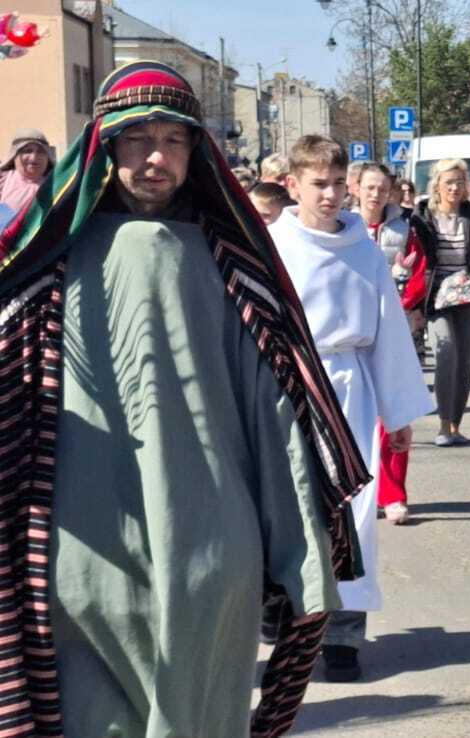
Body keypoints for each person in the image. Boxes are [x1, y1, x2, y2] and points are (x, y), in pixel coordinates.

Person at [0, 60, 367, 737]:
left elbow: (277, 415)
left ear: (196, 151)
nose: (156, 157)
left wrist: (299, 547)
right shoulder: (42, 267)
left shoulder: (237, 267)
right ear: (106, 145)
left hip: (210, 557)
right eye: (138, 138)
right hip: (84, 556)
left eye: (173, 140)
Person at [269, 135, 433, 683]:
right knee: (291, 509)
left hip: (350, 389)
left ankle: (344, 632)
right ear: (292, 185)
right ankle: (291, 621)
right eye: (319, 184)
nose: (331, 195)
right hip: (289, 388)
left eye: (339, 183)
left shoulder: (363, 249)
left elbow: (388, 332)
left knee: (353, 512)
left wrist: (398, 413)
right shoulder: (271, 247)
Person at [400, 158, 470, 447]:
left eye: (460, 182)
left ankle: (455, 424)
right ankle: (443, 424)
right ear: (437, 185)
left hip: (468, 295)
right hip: (435, 296)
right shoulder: (422, 217)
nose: (455, 188)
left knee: (464, 361)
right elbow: (412, 256)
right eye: (449, 182)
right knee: (445, 353)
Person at [353, 162, 425, 524]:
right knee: (356, 418)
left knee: (394, 412)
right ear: (355, 188)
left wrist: (403, 303)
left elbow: (421, 270)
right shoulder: (344, 227)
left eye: (382, 188)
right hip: (354, 333)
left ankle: (394, 493)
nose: (375, 195)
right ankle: (359, 491)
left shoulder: (404, 227)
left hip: (393, 328)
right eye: (369, 187)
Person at [0, 128, 52, 217]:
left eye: (40, 152)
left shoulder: (58, 183)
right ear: (14, 155)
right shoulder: (3, 181)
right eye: (27, 151)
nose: (33, 157)